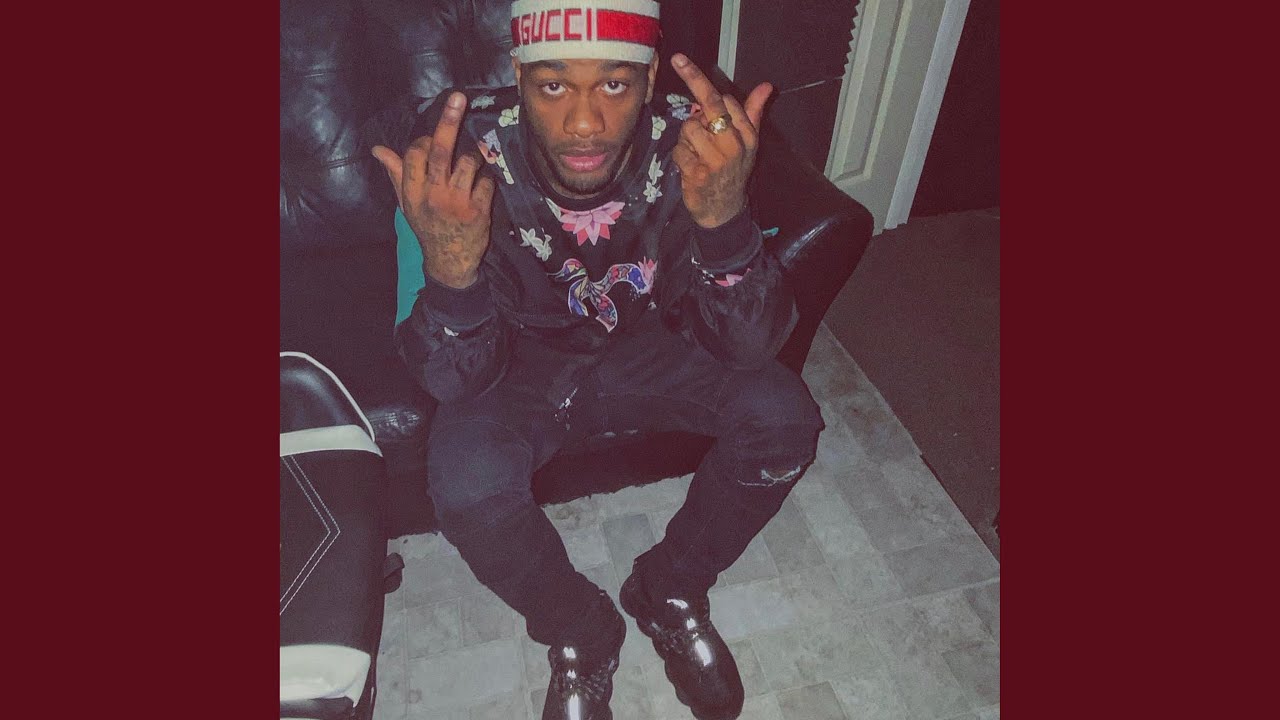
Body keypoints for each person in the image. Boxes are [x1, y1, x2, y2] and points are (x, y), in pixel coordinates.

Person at [369, 1, 823, 717]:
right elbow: (450, 382)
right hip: (518, 359)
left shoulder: (694, 141)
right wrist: (453, 271)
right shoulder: (453, 155)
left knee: (784, 421)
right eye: (553, 85)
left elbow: (750, 344)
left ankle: (669, 588)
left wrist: (724, 218)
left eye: (614, 83)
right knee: (465, 485)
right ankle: (581, 629)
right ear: (518, 75)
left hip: (653, 340)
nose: (585, 124)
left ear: (649, 80)